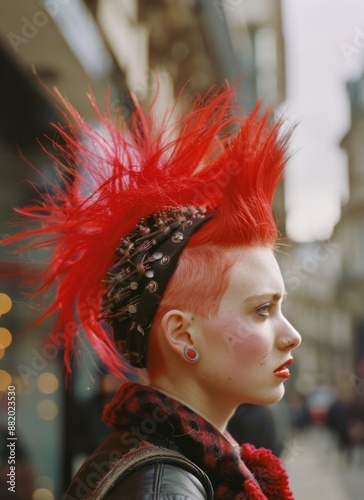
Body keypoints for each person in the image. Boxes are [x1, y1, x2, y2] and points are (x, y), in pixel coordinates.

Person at [3, 84, 301, 499]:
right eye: (261, 310)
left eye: (279, 307)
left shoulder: (169, 466)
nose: (292, 335)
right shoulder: (166, 488)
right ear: (182, 334)